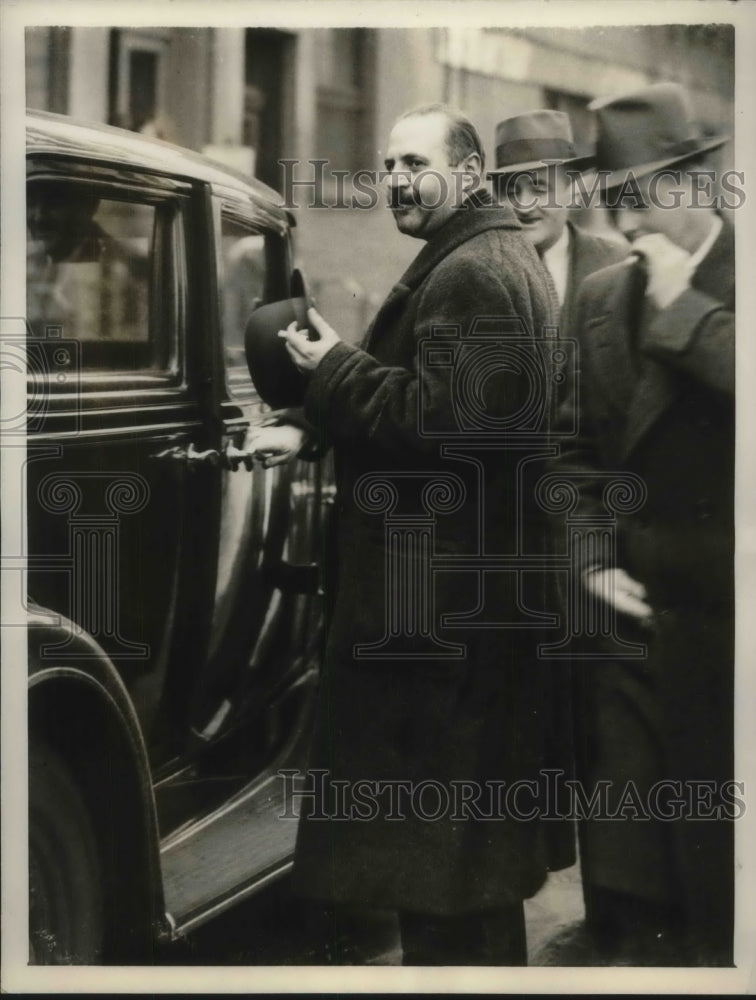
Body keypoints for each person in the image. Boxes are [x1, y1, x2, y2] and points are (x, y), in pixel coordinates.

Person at [251, 103, 574, 965]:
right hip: (464, 621)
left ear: (468, 174)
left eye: (412, 162)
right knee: (464, 883)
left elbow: (444, 423)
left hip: (436, 631)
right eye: (386, 163)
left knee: (440, 885)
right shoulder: (493, 256)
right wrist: (318, 410)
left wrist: (334, 368)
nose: (393, 178)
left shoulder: (471, 270)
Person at [550, 82, 734, 965]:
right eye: (612, 202)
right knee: (631, 904)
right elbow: (572, 451)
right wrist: (588, 554)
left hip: (733, 646)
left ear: (705, 179)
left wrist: (686, 317)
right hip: (629, 640)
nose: (625, 225)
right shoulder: (594, 302)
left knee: (721, 905)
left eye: (642, 197)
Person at [488, 109, 628, 337]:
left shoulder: (616, 264)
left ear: (571, 191)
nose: (524, 205)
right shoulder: (480, 270)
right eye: (512, 191)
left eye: (539, 189)